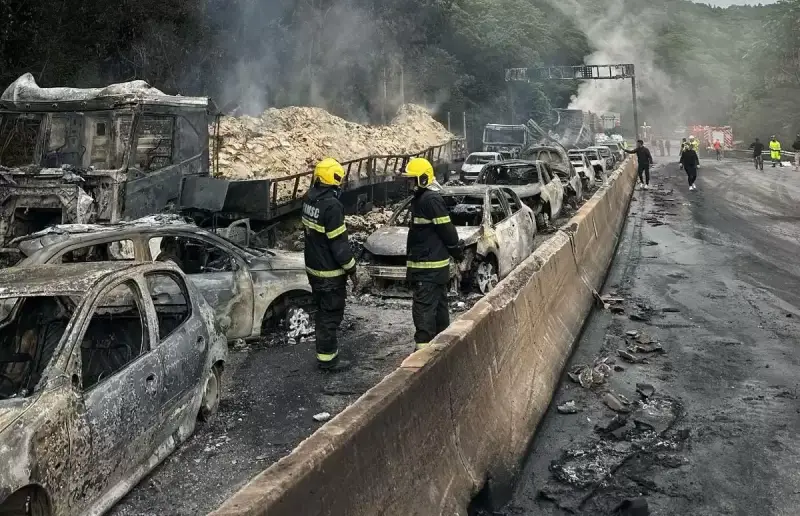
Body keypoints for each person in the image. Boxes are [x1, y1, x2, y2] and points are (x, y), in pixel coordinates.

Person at [402, 157, 464, 351]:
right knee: (439, 311)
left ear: (422, 179)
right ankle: (442, 352)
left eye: (412, 179)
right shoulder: (423, 199)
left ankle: (423, 355)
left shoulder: (430, 199)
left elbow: (447, 230)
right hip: (433, 269)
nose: (409, 184)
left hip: (428, 270)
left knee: (424, 313)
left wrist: (457, 251)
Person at [302, 158, 358, 371]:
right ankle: (328, 360)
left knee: (322, 311)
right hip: (329, 273)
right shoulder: (332, 206)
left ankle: (325, 354)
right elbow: (339, 245)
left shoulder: (309, 199)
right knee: (330, 315)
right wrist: (352, 269)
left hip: (313, 268)